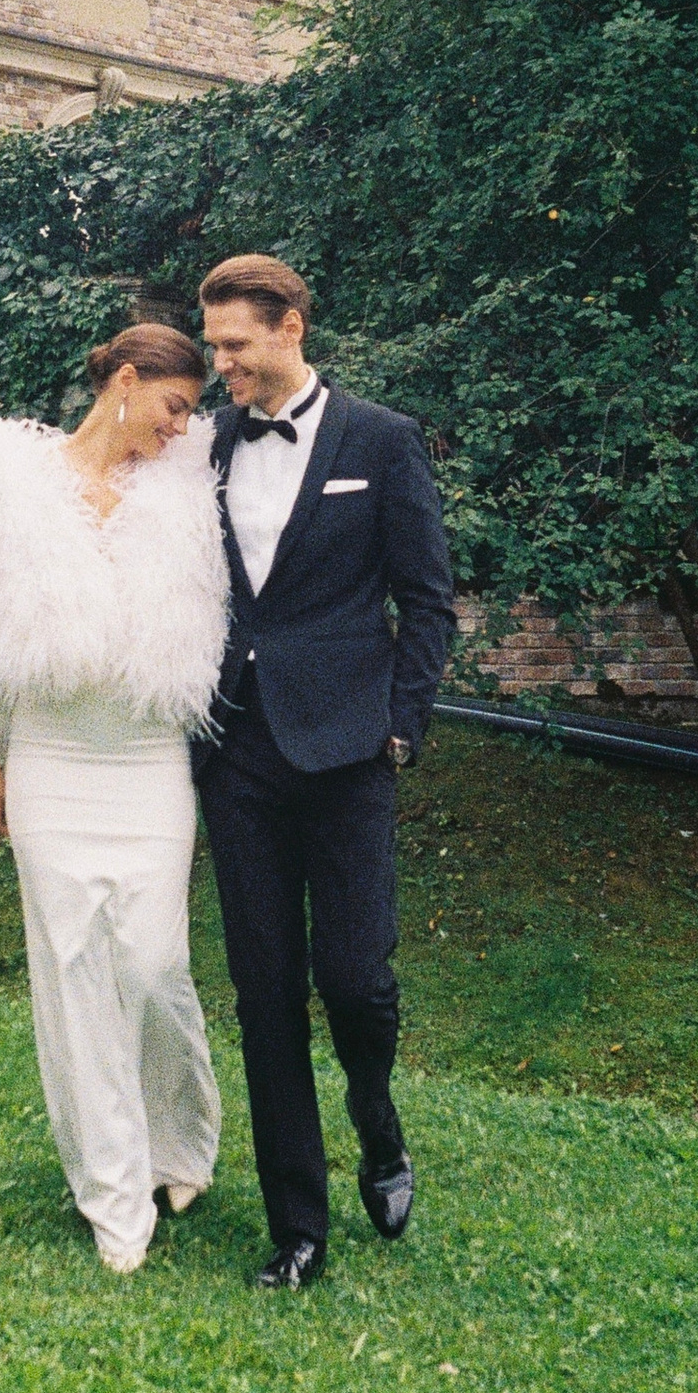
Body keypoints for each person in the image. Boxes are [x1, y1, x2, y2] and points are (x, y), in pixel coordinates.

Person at [0, 322, 228, 1275]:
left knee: (153, 960)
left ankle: (182, 1139)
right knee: (76, 963)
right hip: (50, 754)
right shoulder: (2, 480)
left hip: (146, 757)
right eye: (175, 405)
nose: (184, 428)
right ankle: (113, 1191)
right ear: (125, 383)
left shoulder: (188, 486)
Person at [192, 256, 457, 1288]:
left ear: (289, 327)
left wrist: (402, 729)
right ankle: (297, 1228)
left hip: (350, 752)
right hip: (238, 754)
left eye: (235, 346)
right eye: (213, 347)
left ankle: (376, 1120)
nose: (221, 368)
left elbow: (426, 599)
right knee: (265, 994)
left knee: (355, 980)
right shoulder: (206, 446)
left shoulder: (380, 441)